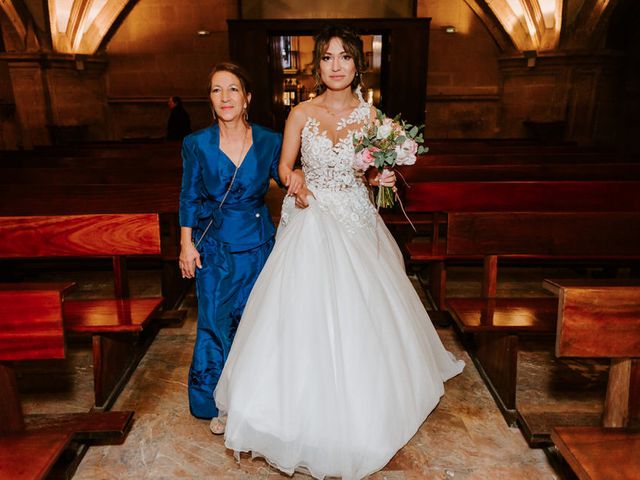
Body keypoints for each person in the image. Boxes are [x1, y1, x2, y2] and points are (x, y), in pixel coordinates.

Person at [214, 26, 464, 479]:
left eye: (344, 57)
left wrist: (381, 179)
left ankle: (366, 403)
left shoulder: (372, 118)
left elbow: (370, 171)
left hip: (353, 217)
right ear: (319, 66)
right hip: (311, 216)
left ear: (356, 64)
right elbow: (284, 166)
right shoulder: (300, 113)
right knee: (299, 310)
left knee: (363, 312)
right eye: (327, 58)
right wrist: (295, 179)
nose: (335, 65)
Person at [179, 62, 288, 423]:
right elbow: (189, 196)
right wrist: (186, 244)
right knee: (214, 321)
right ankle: (212, 400)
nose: (224, 97)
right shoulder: (196, 144)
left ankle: (253, 399)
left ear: (247, 99)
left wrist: (306, 179)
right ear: (210, 101)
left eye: (232, 89)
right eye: (216, 90)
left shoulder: (271, 140)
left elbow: (286, 177)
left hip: (259, 247)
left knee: (258, 323)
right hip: (214, 250)